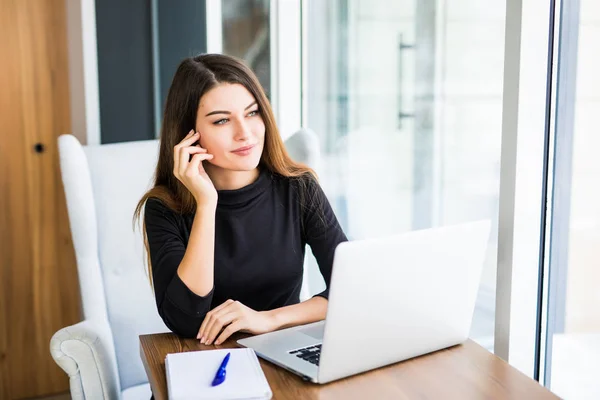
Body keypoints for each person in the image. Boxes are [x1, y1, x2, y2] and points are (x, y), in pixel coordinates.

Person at [134, 53, 347, 345]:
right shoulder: (164, 207)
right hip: (207, 361)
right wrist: (206, 204)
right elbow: (185, 319)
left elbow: (349, 290)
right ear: (189, 134)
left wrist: (268, 318)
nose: (245, 134)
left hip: (281, 351)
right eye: (222, 121)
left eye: (252, 112)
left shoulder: (299, 188)